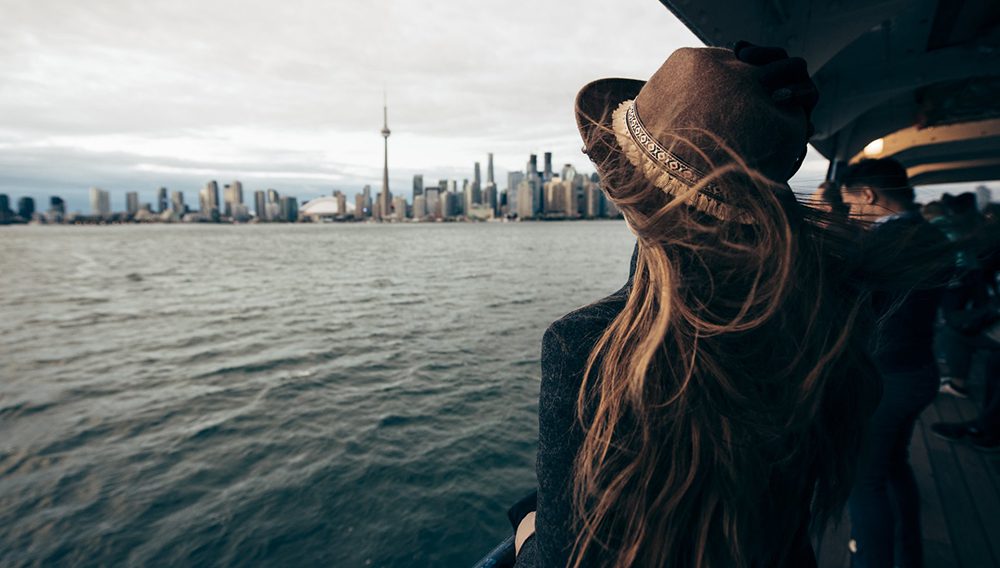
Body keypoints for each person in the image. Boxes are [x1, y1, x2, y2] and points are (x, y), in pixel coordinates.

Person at [509, 44, 889, 568]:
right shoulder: (824, 323)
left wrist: (530, 533)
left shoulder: (587, 345)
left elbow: (561, 560)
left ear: (631, 197)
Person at [839, 158, 948, 568]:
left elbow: (841, 289)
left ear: (869, 194)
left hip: (885, 379)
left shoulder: (880, 243)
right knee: (895, 466)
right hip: (921, 370)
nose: (852, 214)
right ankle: (909, 556)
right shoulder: (932, 233)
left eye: (851, 205)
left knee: (864, 484)